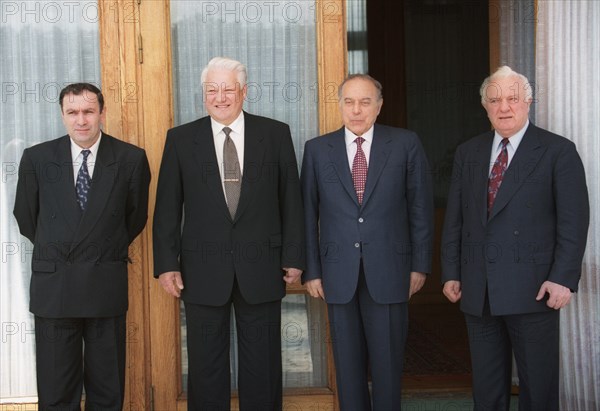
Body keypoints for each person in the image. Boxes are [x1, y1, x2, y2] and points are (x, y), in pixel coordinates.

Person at [153, 57, 305, 411]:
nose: (220, 97)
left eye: (228, 89)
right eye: (212, 90)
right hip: (202, 271)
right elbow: (167, 208)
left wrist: (294, 256)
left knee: (262, 368)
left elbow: (291, 201)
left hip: (262, 268)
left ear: (244, 92)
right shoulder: (180, 139)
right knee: (206, 369)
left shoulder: (275, 134)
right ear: (204, 94)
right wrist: (166, 264)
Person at [441, 66, 590, 410]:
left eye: (512, 98)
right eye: (495, 100)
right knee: (487, 388)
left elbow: (574, 221)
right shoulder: (469, 152)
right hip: (479, 291)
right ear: (485, 106)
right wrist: (451, 271)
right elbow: (455, 218)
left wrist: (562, 279)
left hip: (535, 289)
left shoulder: (557, 151)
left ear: (528, 102)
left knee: (538, 388)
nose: (503, 107)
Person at [13, 83, 151, 411]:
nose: (81, 120)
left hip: (105, 282)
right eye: (73, 112)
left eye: (89, 111)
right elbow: (26, 217)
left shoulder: (131, 159)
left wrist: (98, 248)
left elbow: (134, 219)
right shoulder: (37, 159)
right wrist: (59, 248)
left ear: (103, 113)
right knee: (56, 387)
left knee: (107, 386)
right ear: (62, 116)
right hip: (54, 284)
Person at [301, 74, 434, 410]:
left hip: (391, 271)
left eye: (364, 102)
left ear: (379, 106)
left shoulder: (405, 144)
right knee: (347, 367)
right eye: (349, 102)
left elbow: (421, 209)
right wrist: (312, 271)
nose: (356, 110)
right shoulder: (317, 150)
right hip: (337, 274)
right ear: (341, 105)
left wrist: (419, 265)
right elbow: (306, 214)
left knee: (389, 364)